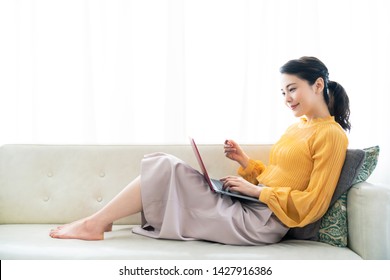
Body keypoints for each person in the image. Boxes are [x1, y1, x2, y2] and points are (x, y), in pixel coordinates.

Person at [49, 56, 350, 245]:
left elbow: (314, 203)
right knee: (164, 164)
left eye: (292, 89)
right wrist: (245, 162)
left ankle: (95, 223)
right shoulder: (297, 128)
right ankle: (99, 220)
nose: (287, 98)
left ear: (318, 85)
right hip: (251, 205)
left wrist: (255, 192)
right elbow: (280, 176)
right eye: (282, 92)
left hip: (263, 222)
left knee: (166, 166)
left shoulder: (332, 136)